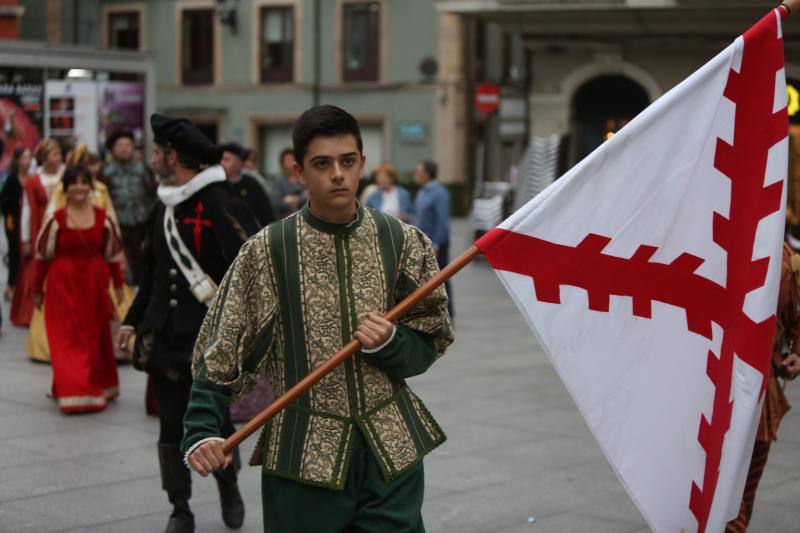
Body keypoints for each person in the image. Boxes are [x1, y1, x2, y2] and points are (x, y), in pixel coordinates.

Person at [182, 105, 453, 533]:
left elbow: (428, 343)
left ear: (362, 163)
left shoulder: (401, 241)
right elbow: (221, 347)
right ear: (299, 172)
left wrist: (391, 344)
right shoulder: (268, 250)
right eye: (322, 164)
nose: (338, 175)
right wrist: (201, 429)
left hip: (391, 453)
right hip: (303, 457)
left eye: (348, 161)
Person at [116, 114, 258, 533]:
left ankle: (228, 488)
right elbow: (155, 274)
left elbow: (252, 271)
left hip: (210, 341)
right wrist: (131, 320)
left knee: (214, 423)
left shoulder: (220, 204)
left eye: (157, 151)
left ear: (172, 155)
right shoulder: (165, 204)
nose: (152, 157)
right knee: (170, 427)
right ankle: (180, 508)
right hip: (164, 341)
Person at [32, 165, 124, 413]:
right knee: (67, 338)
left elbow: (112, 255)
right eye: (74, 182)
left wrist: (118, 285)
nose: (80, 187)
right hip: (62, 285)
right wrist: (36, 288)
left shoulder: (103, 219)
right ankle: (79, 392)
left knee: (93, 337)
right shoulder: (56, 220)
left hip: (94, 286)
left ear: (91, 187)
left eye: (84, 182)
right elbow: (42, 255)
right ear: (66, 187)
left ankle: (77, 384)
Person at [725, 240, 800, 532]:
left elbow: (795, 319)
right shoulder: (705, 240)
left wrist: (794, 353)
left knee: (740, 498)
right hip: (708, 393)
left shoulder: (785, 260)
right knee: (727, 503)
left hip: (758, 397)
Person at [11, 138, 63, 329]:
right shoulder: (34, 181)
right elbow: (26, 211)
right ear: (45, 157)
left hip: (62, 229)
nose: (58, 158)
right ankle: (33, 310)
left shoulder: (66, 176)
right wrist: (25, 239)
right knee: (38, 269)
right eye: (54, 154)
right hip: (41, 229)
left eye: (59, 154)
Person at [101, 129, 156, 285]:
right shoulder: (105, 171)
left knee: (143, 265)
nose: (125, 148)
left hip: (141, 225)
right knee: (122, 268)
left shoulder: (143, 169)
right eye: (120, 145)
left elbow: (152, 194)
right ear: (112, 149)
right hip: (117, 227)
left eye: (128, 144)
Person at [413, 159, 454, 317]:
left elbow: (443, 221)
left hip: (436, 243)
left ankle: (448, 312)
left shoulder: (440, 193)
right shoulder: (422, 191)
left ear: (427, 174)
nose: (416, 176)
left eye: (419, 172)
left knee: (442, 277)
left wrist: (436, 244)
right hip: (423, 242)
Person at [219, 142, 276, 227]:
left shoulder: (253, 185)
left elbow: (266, 215)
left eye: (227, 160)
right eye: (222, 159)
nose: (222, 163)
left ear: (239, 163)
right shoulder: (218, 185)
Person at [0, 147, 31, 302]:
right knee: (14, 252)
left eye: (28, 157)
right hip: (13, 221)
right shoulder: (11, 179)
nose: (27, 161)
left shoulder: (32, 177)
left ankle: (23, 285)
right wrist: (17, 204)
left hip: (28, 220)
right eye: (24, 158)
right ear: (17, 160)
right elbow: (4, 203)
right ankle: (11, 285)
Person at [273, 147, 307, 218]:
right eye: (287, 160)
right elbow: (277, 204)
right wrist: (295, 202)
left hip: (304, 216)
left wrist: (294, 200)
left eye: (292, 159)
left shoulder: (303, 176)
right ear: (282, 163)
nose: (290, 162)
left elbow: (309, 196)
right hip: (286, 219)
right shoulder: (279, 180)